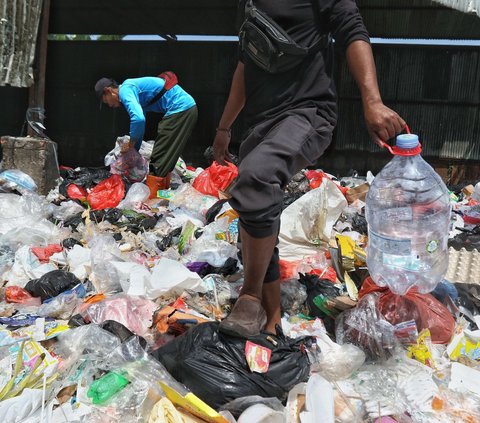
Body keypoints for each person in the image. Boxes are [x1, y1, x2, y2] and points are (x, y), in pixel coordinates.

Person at [212, 0, 406, 337]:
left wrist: (372, 101)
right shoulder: (252, 4)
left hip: (306, 112)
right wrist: (224, 128)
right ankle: (271, 324)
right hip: (261, 123)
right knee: (256, 209)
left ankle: (250, 295)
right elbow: (245, 66)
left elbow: (352, 31)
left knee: (256, 178)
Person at [94, 75, 197, 196]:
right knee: (165, 159)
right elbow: (140, 124)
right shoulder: (130, 89)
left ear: (109, 91)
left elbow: (138, 119)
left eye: (106, 101)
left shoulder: (125, 90)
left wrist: (131, 145)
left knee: (159, 159)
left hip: (180, 109)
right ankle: (162, 196)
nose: (109, 105)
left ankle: (152, 200)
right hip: (184, 109)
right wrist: (133, 151)